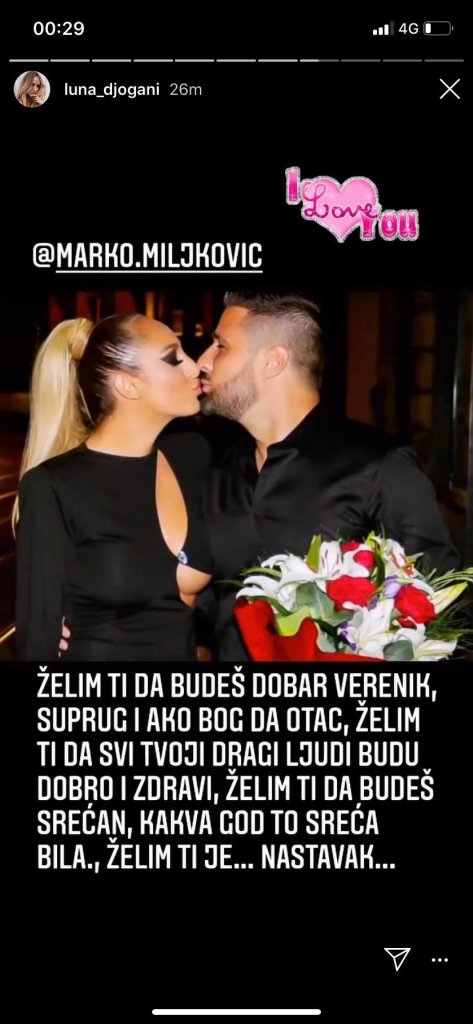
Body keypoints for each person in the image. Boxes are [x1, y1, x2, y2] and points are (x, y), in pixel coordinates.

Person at [196, 292, 460, 660]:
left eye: (221, 346)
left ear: (273, 361)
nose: (203, 361)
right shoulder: (217, 472)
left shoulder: (378, 466)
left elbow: (441, 609)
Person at [15, 314, 212, 660]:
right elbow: (37, 644)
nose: (194, 367)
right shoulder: (53, 487)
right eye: (173, 358)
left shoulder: (193, 456)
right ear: (128, 385)